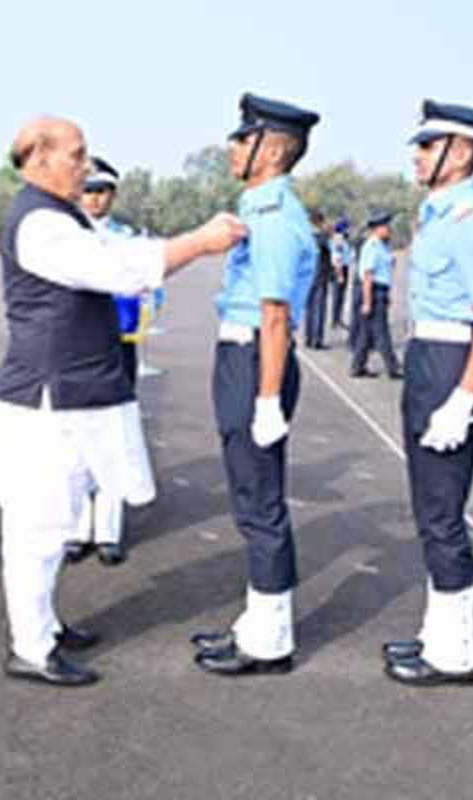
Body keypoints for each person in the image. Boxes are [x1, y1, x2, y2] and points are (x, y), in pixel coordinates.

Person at [0, 115, 245, 687]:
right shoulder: (39, 224)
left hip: (72, 395)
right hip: (48, 400)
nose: (85, 164)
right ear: (39, 158)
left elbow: (123, 250)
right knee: (39, 528)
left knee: (59, 515)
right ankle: (30, 646)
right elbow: (115, 269)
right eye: (76, 154)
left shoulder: (61, 216)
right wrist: (199, 243)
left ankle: (45, 626)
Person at [381, 100, 473, 687]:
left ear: (460, 152)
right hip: (429, 357)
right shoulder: (439, 214)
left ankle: (455, 652)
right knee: (430, 508)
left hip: (452, 362)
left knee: (442, 513)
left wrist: (463, 399)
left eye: (429, 145)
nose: (418, 154)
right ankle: (437, 636)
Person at [189, 92, 318, 678]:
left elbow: (275, 316)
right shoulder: (260, 207)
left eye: (244, 139)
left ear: (272, 150)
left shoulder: (274, 219)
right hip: (243, 355)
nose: (233, 147)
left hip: (254, 361)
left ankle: (269, 640)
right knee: (250, 494)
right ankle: (258, 620)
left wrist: (267, 399)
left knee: (259, 500)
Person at [66, 154, 144, 566]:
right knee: (77, 435)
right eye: (88, 191)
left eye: (101, 192)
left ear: (112, 195)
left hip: (117, 343)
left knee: (114, 434)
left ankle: (109, 531)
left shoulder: (128, 238)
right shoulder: (67, 235)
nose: (94, 200)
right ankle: (78, 528)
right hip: (77, 345)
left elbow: (149, 288)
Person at [349, 210, 402, 379]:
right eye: (385, 226)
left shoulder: (383, 246)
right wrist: (367, 301)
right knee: (381, 332)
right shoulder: (371, 246)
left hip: (381, 291)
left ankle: (357, 366)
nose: (388, 229)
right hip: (373, 291)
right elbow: (367, 276)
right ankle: (393, 367)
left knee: (366, 333)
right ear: (377, 228)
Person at [304, 210, 333, 349]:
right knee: (319, 308)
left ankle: (309, 337)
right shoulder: (321, 237)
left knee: (309, 309)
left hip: (306, 276)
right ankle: (317, 339)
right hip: (320, 275)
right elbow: (329, 251)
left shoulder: (303, 235)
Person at [327, 216, 351, 332]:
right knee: (337, 295)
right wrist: (340, 274)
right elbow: (338, 257)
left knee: (341, 295)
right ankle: (335, 319)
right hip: (339, 268)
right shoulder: (339, 239)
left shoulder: (342, 239)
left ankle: (338, 318)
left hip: (343, 267)